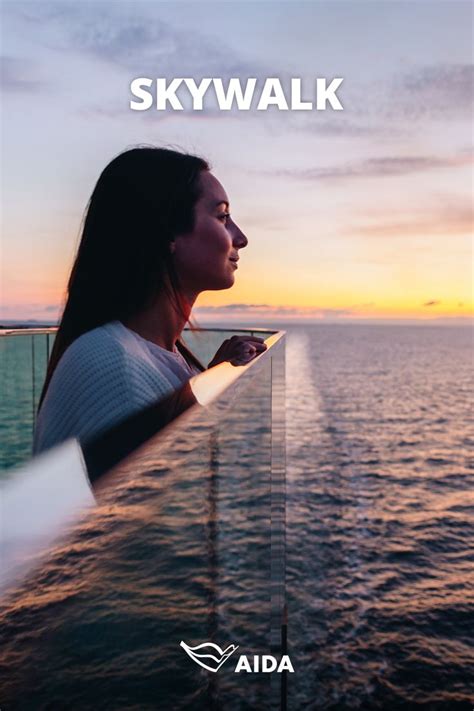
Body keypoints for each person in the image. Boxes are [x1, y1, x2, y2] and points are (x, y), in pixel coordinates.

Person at [33, 147, 267, 455]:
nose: (241, 238)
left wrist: (210, 378)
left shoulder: (148, 354)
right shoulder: (116, 368)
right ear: (167, 232)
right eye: (222, 216)